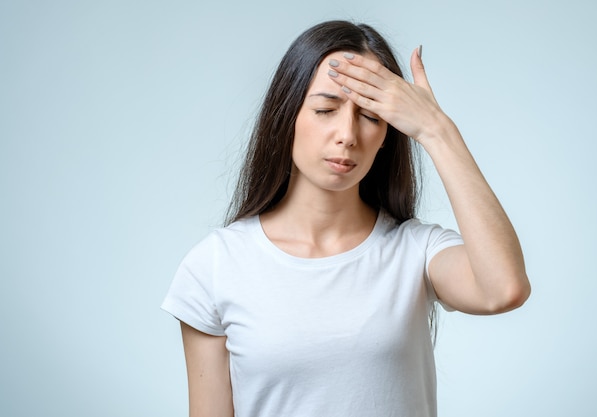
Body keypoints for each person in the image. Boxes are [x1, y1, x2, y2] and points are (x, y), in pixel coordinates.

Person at [162, 20, 531, 417]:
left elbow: (504, 289)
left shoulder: (417, 252)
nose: (347, 134)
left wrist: (436, 131)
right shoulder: (215, 266)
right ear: (287, 116)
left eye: (371, 116)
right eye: (325, 109)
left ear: (389, 132)